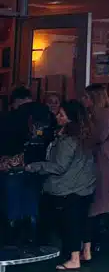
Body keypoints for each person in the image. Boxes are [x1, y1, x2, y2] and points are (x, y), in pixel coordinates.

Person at [25, 100, 96, 270]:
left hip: (68, 187)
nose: (57, 116)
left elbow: (59, 166)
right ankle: (86, 252)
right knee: (83, 220)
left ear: (70, 118)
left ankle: (73, 258)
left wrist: (34, 166)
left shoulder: (67, 139)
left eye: (61, 114)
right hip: (86, 185)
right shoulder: (85, 135)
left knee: (69, 223)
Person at [1, 87, 53, 246]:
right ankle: (33, 237)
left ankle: (13, 240)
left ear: (15, 101)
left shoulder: (11, 117)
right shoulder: (47, 115)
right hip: (39, 165)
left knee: (13, 204)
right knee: (32, 202)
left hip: (13, 167)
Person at [82, 84, 109, 260]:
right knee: (99, 204)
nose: (84, 100)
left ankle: (96, 242)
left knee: (97, 204)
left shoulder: (105, 115)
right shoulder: (102, 114)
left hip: (101, 163)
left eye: (86, 97)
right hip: (98, 162)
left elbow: (97, 138)